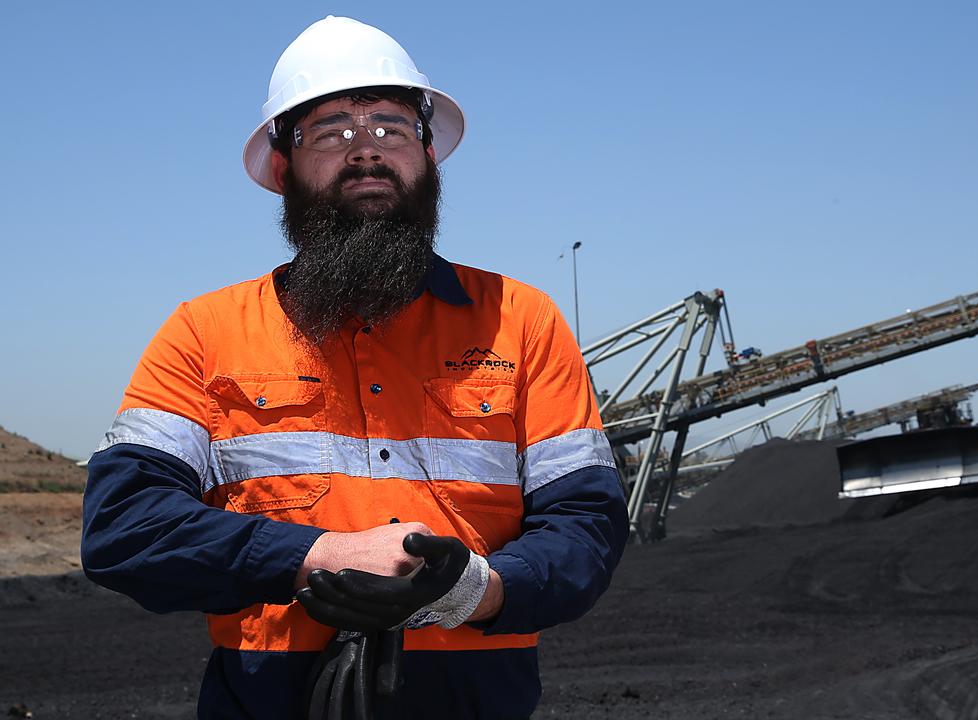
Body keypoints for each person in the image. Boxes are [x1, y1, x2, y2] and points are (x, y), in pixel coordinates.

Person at [81, 16, 629, 719]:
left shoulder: (522, 320)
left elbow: (586, 522)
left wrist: (477, 589)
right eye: (333, 130)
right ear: (283, 168)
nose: (366, 151)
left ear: (429, 155)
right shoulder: (204, 332)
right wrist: (319, 556)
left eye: (392, 129)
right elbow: (124, 526)